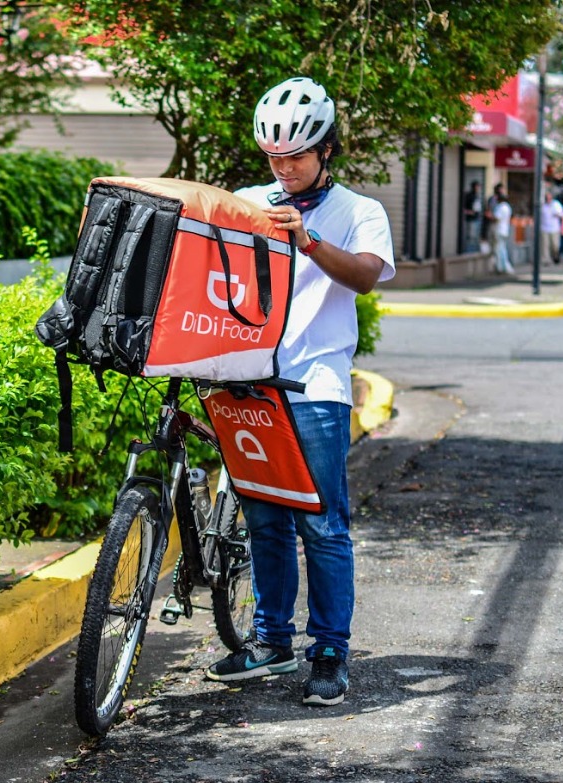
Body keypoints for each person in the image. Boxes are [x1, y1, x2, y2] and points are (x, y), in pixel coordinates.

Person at [205, 76, 395, 707]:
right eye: (273, 158)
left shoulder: (359, 211)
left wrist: (306, 240)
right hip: (249, 382)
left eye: (296, 157)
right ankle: (270, 642)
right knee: (264, 517)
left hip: (316, 384)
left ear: (327, 152)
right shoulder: (247, 200)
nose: (283, 170)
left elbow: (367, 277)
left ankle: (330, 651)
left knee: (322, 524)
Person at [540, 190, 563, 265]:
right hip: (545, 228)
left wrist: (557, 214)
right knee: (545, 245)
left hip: (554, 228)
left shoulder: (556, 205)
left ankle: (555, 256)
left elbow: (562, 214)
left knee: (555, 245)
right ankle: (546, 260)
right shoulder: (543, 206)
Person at [492, 190, 515, 274]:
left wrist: (490, 216)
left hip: (499, 229)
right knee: (502, 248)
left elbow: (497, 218)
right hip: (505, 229)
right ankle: (504, 266)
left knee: (499, 249)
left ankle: (501, 267)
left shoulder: (500, 207)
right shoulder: (507, 207)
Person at [463, 180, 483, 252]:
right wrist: (469, 212)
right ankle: (469, 251)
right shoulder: (469, 196)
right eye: (477, 186)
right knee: (470, 237)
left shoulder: (477, 196)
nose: (479, 188)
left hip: (477, 218)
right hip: (471, 219)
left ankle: (474, 251)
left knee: (475, 237)